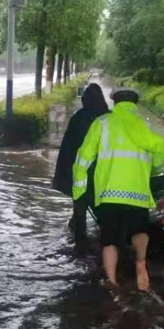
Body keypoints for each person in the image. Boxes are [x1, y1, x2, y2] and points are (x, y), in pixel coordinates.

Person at [72, 88, 164, 291]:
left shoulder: (102, 123)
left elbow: (83, 157)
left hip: (108, 193)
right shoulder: (146, 125)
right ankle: (141, 263)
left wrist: (78, 188)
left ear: (115, 103)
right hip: (138, 192)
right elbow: (160, 153)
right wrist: (153, 170)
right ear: (135, 104)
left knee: (109, 239)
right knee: (140, 230)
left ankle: (112, 281)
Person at [53, 83, 110, 241]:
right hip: (104, 173)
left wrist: (64, 175)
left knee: (80, 210)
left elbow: (68, 148)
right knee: (103, 211)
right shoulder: (109, 118)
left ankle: (80, 244)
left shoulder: (78, 117)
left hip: (81, 171)